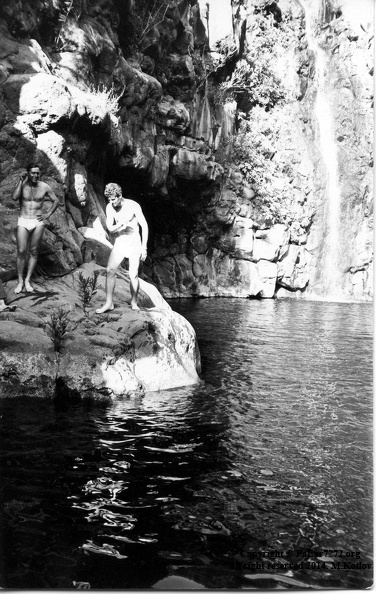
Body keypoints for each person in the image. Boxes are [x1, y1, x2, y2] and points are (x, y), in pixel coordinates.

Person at [96, 183, 148, 313]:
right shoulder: (110, 207)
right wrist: (120, 224)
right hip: (120, 240)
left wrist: (144, 247)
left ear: (120, 196)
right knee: (110, 270)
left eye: (113, 199)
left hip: (134, 241)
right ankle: (109, 303)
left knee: (133, 274)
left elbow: (144, 226)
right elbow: (110, 228)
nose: (112, 202)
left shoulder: (133, 205)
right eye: (109, 200)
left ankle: (134, 302)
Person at [11, 163, 60, 293]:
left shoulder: (44, 186)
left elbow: (56, 201)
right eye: (33, 173)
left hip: (38, 221)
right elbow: (15, 197)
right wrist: (21, 181)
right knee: (21, 251)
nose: (35, 175)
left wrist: (48, 214)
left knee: (33, 251)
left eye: (37, 173)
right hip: (23, 220)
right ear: (28, 173)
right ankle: (20, 281)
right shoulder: (23, 185)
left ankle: (27, 280)